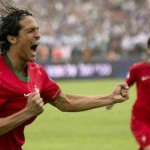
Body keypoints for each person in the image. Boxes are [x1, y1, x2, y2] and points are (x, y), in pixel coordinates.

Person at [0, 1, 129, 150]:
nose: (38, 35)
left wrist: (110, 98)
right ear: (12, 38)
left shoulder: (37, 72)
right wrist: (27, 112)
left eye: (38, 29)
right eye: (30, 31)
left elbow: (65, 101)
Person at [107, 37, 150, 150]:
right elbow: (125, 86)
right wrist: (111, 100)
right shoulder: (138, 69)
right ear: (148, 50)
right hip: (141, 119)